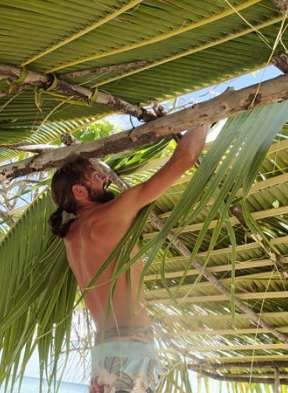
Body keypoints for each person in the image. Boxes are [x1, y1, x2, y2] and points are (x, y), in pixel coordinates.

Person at [48, 124, 209, 392]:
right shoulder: (111, 214)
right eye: (95, 177)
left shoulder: (71, 237)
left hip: (106, 354)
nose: (105, 179)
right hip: (128, 350)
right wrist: (206, 118)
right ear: (79, 191)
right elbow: (185, 158)